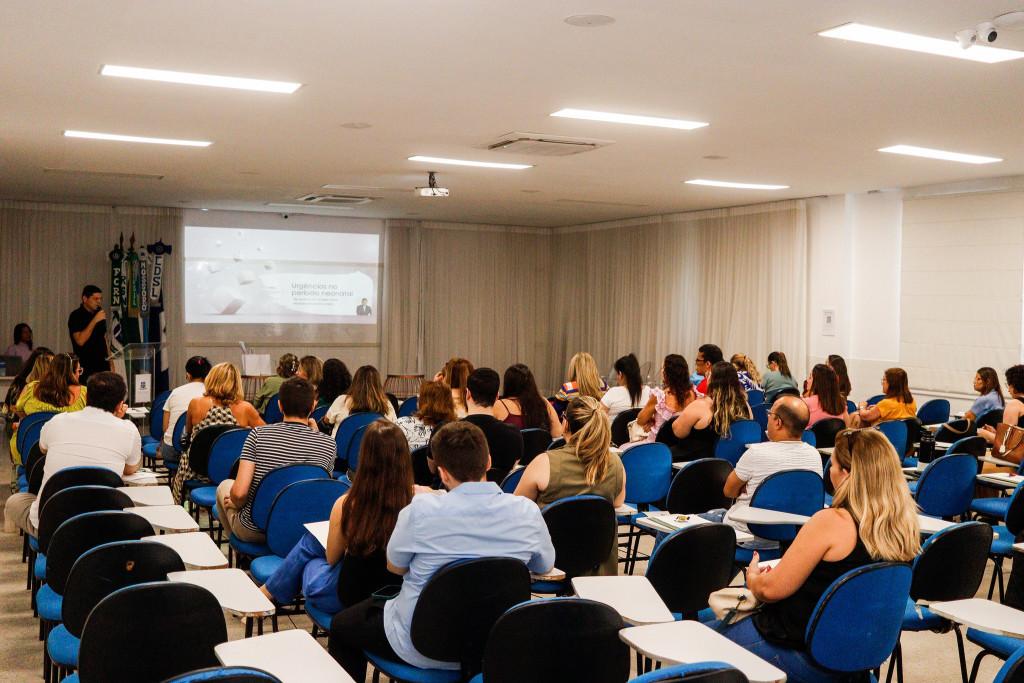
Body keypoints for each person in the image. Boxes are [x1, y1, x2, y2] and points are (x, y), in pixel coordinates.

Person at [327, 421, 556, 680]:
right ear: (488, 461)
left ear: (443, 473)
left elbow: (395, 567)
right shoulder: (526, 512)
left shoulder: (419, 511)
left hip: (422, 642)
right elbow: (545, 565)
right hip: (495, 641)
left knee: (342, 626)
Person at [717, 429, 920, 681]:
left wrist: (755, 579)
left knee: (702, 643)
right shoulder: (905, 530)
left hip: (799, 654)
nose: (829, 471)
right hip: (855, 661)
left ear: (846, 475)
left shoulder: (831, 522)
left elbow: (770, 591)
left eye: (832, 464)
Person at [258, 420, 412, 614]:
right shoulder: (417, 504)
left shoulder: (348, 504)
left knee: (309, 560)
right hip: (396, 596)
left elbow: (331, 559)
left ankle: (266, 595)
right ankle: (266, 593)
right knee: (311, 542)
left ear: (364, 458)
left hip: (347, 598)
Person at [4, 372, 140, 535]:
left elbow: (42, 449)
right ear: (120, 405)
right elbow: (130, 469)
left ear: (87, 396)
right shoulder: (129, 430)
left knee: (15, 502)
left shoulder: (58, 421)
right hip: (102, 524)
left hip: (51, 526)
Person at [217, 377, 336, 544]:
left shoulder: (257, 435)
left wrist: (236, 503)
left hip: (256, 530)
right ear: (313, 406)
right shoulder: (329, 444)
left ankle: (242, 553)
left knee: (225, 486)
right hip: (302, 528)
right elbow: (317, 489)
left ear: (280, 405)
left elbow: (239, 493)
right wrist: (318, 436)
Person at [514, 396, 626, 575]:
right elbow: (618, 502)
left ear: (565, 423)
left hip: (550, 564)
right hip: (597, 565)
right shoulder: (615, 463)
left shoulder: (545, 463)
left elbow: (517, 508)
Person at [703, 396, 822, 549]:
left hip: (746, 536)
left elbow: (729, 491)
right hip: (792, 540)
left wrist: (746, 489)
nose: (768, 418)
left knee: (675, 529)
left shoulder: (756, 452)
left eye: (770, 414)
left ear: (778, 422)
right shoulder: (814, 455)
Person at [171, 363, 264, 503]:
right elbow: (265, 434)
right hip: (231, 473)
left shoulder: (195, 403)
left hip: (195, 471)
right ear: (237, 383)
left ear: (211, 379)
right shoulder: (246, 408)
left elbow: (188, 435)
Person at [10, 353, 87, 465]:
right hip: (70, 456)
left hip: (27, 452)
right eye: (79, 371)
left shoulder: (31, 388)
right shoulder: (84, 393)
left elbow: (20, 412)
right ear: (71, 373)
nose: (79, 375)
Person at [671, 361, 751, 462]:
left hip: (696, 465)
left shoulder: (701, 405)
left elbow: (678, 432)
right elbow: (749, 430)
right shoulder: (745, 405)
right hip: (731, 463)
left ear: (711, 381)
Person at [454, 368, 524, 478]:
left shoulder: (449, 432)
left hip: (456, 493)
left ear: (467, 394)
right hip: (499, 492)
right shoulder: (514, 435)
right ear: (497, 396)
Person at [626, 354, 693, 450]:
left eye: (662, 369)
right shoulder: (693, 395)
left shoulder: (659, 396)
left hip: (656, 446)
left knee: (623, 449)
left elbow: (641, 420)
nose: (661, 371)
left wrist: (653, 419)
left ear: (667, 373)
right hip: (680, 446)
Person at [160, 356, 212, 467]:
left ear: (188, 375)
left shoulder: (175, 392)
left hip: (172, 451)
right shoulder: (213, 396)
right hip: (200, 453)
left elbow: (165, 428)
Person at [493, 364, 562, 436]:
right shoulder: (543, 402)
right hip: (541, 447)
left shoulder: (499, 405)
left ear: (507, 384)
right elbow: (557, 434)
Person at [325, 365, 397, 436]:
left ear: (355, 382)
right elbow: (395, 428)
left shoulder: (342, 400)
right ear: (378, 384)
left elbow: (326, 420)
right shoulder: (386, 404)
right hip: (375, 447)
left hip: (342, 447)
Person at [2, 347, 53, 442]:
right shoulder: (29, 385)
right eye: (51, 364)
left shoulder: (21, 380)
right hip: (19, 426)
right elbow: (12, 409)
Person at [67, 285, 111, 382]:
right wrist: (94, 320)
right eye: (95, 299)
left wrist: (111, 363)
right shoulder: (76, 316)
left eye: (100, 299)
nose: (99, 302)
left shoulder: (99, 314)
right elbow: (80, 341)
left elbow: (104, 339)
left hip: (103, 365)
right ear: (85, 299)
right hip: (86, 367)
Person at [395, 380, 456, 450]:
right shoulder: (457, 429)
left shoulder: (402, 424)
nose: (418, 398)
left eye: (419, 397)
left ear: (422, 401)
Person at [852, 368, 916, 428]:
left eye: (884, 379)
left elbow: (865, 416)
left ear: (892, 383)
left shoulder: (886, 403)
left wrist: (862, 406)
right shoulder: (912, 401)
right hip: (903, 438)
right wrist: (877, 408)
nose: (882, 383)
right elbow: (898, 413)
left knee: (856, 416)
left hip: (882, 437)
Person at [980, 365, 1024, 448]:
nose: (1008, 390)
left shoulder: (1014, 405)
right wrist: (996, 433)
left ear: (1014, 385)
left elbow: (1005, 443)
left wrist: (984, 433)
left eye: (1009, 385)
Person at [601, 354, 652, 420]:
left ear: (620, 374)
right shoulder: (649, 392)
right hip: (640, 430)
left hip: (614, 430)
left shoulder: (613, 393)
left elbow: (598, 418)